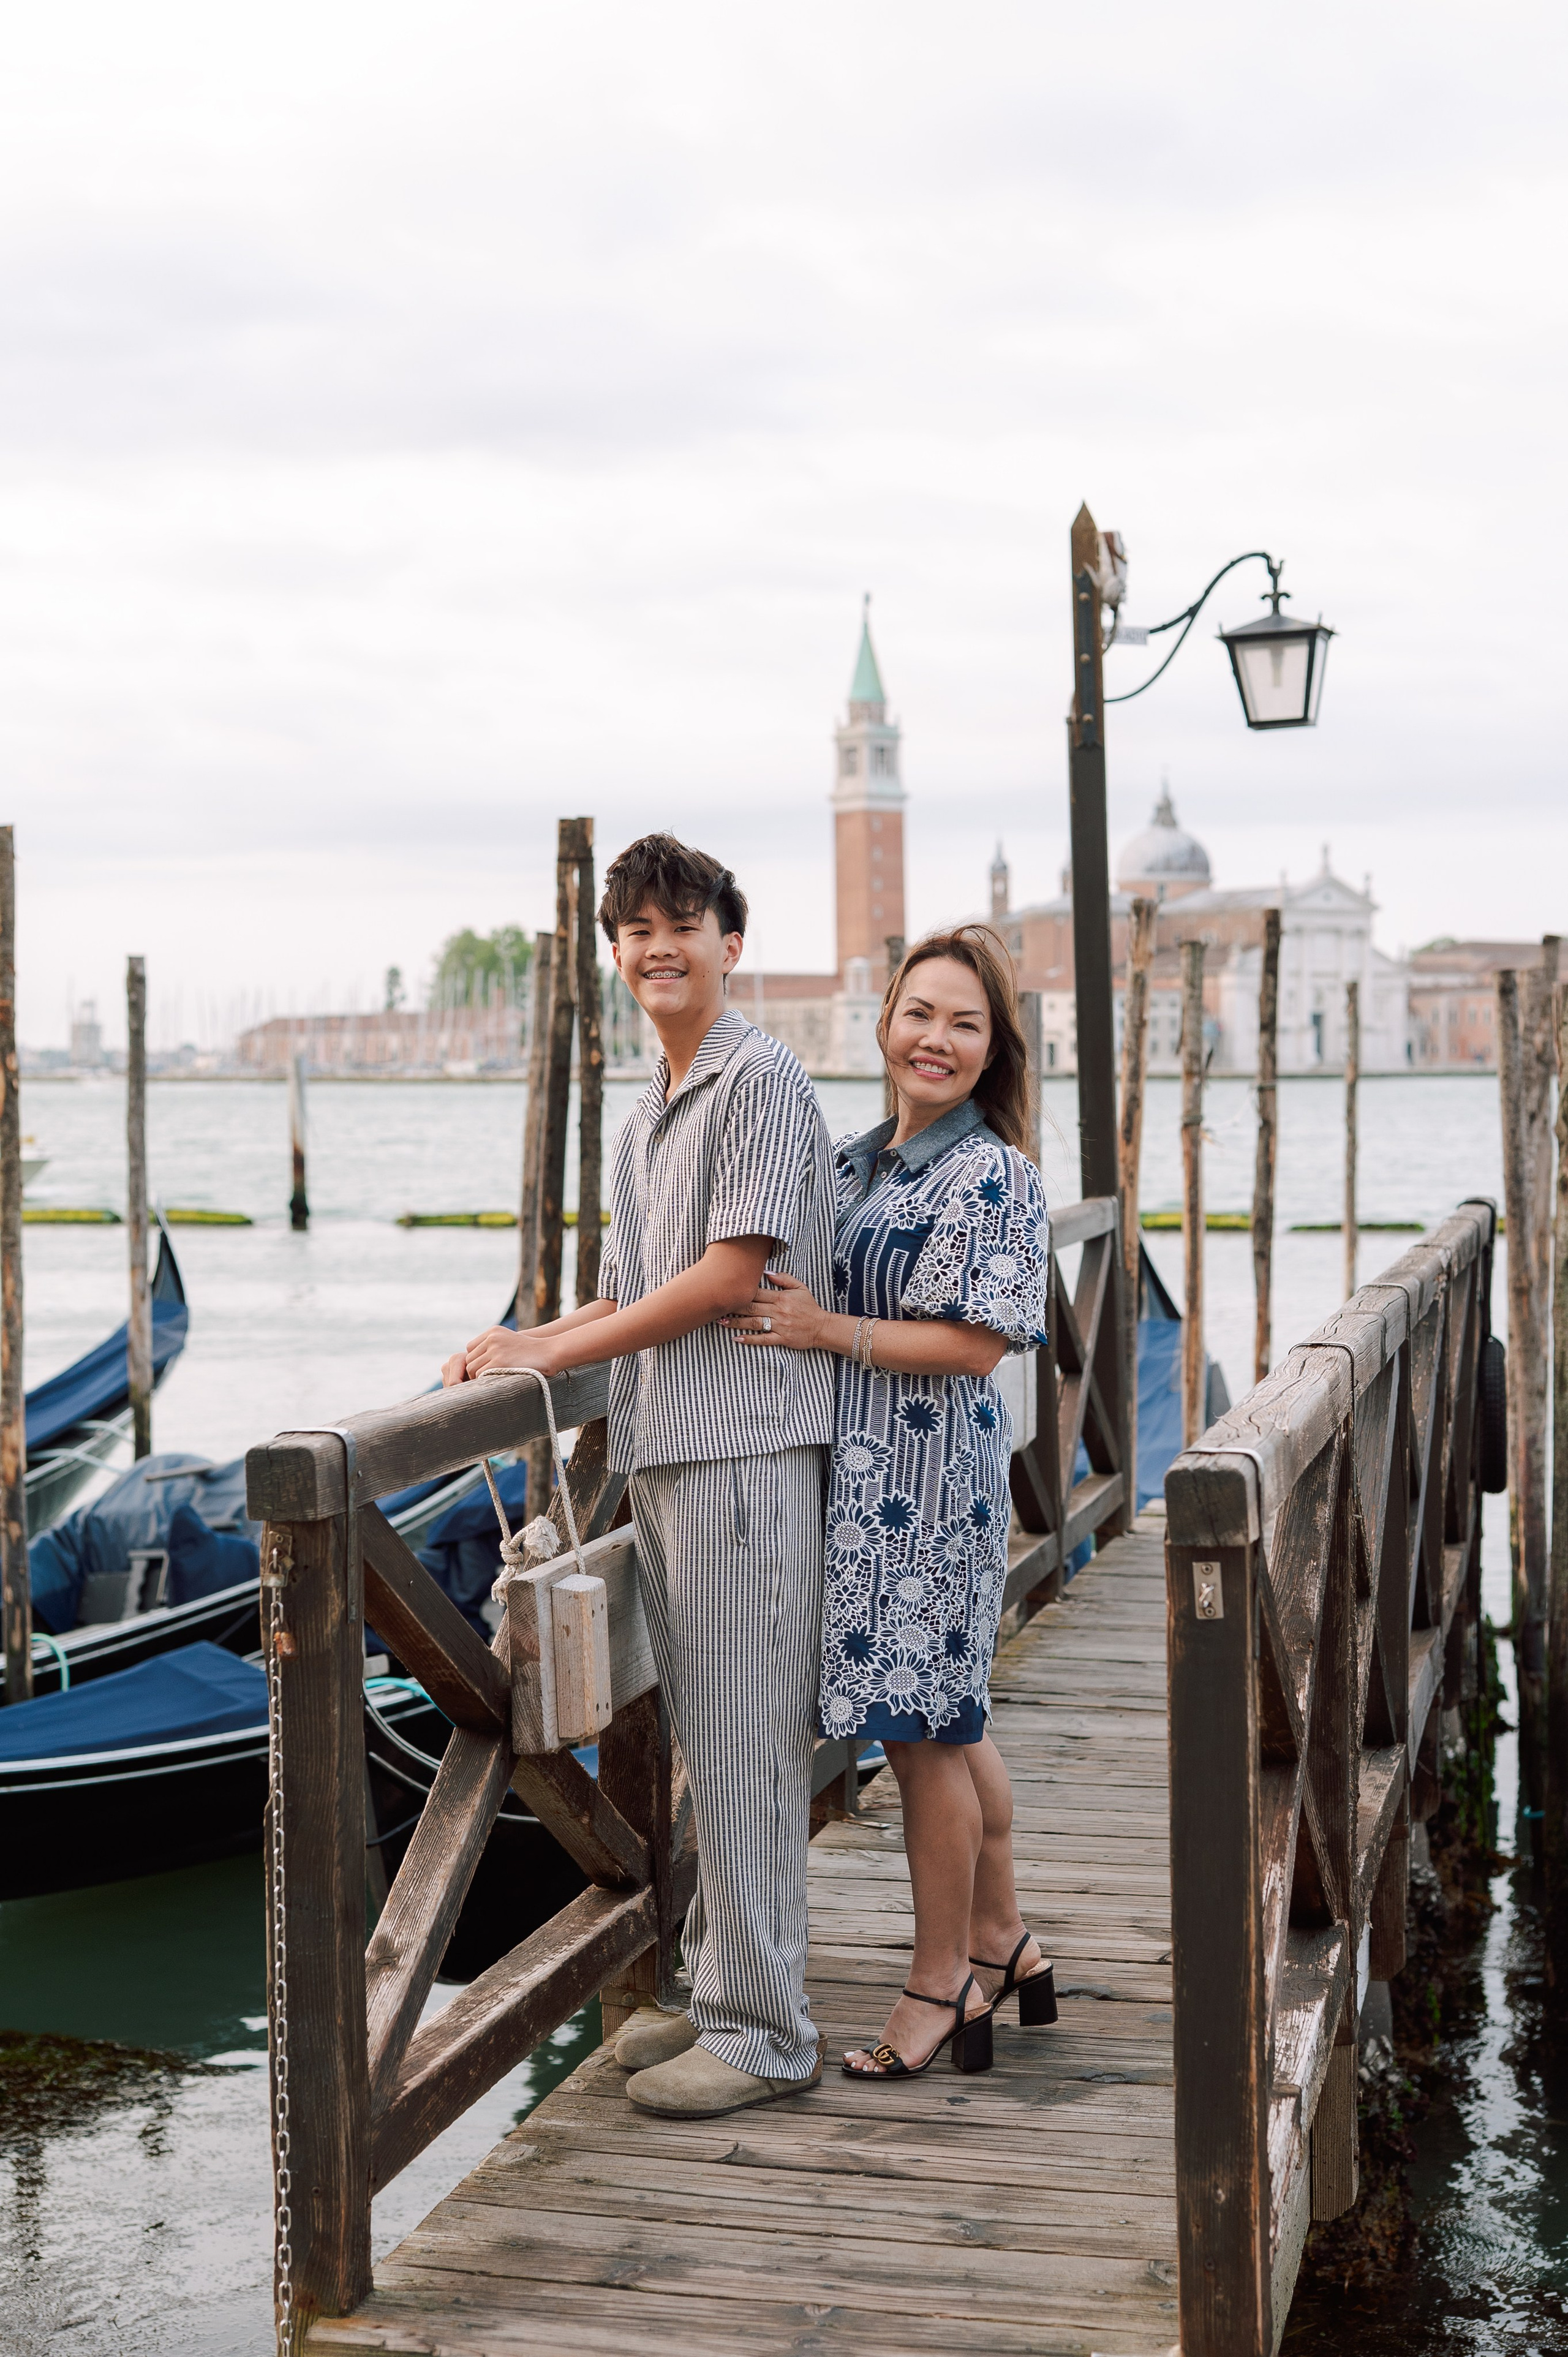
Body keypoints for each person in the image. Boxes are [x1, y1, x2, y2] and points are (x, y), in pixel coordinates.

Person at [442, 832, 835, 2119]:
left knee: (746, 1743)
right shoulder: (647, 1106)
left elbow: (728, 1275)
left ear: (731, 941)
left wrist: (556, 1350)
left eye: (683, 925)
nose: (659, 948)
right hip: (669, 1449)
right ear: (615, 955)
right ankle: (720, 1989)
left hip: (742, 1451)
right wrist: (521, 1344)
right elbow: (626, 1292)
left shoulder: (758, 1079)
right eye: (637, 932)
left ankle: (766, 2031)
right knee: (707, 1746)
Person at [726, 925, 1057, 2078]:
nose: (937, 1040)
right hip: (857, 1485)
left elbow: (976, 1345)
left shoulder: (994, 1175)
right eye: (920, 1013)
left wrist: (828, 1330)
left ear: (994, 1050)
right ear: (884, 1022)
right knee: (950, 1722)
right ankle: (1003, 1941)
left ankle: (941, 1984)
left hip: (927, 1491)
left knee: (921, 1741)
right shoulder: (853, 1160)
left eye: (966, 1024)